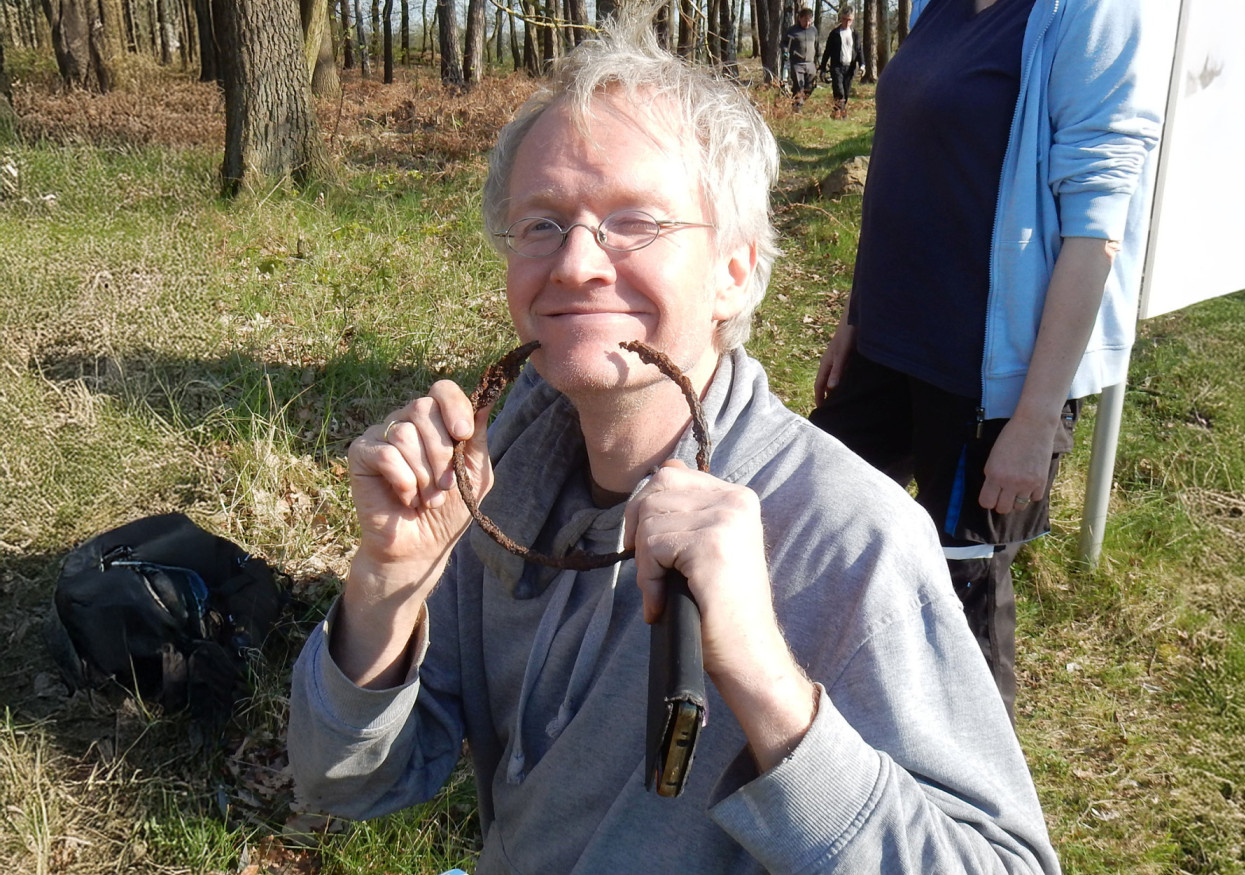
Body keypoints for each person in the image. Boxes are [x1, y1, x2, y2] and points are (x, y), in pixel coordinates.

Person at [288, 10, 1062, 874]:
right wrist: (384, 593)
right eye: (541, 222)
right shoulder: (500, 477)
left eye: (635, 222)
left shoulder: (848, 540)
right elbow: (343, 783)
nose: (576, 263)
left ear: (735, 269)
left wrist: (768, 684)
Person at [810, 0, 1170, 718]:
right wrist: (853, 317)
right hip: (886, 344)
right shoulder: (934, 7)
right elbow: (903, 171)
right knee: (815, 513)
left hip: (981, 375)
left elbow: (1097, 229)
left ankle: (977, 808)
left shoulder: (1087, 14)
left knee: (960, 596)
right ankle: (843, 710)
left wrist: (1036, 417)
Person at [818, 6, 863, 119]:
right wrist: (822, 68)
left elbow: (859, 50)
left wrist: (862, 64)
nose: (847, 22)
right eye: (844, 19)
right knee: (839, 90)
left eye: (849, 20)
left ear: (852, 20)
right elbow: (827, 51)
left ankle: (836, 112)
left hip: (850, 67)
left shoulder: (855, 34)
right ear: (841, 19)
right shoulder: (834, 33)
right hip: (837, 66)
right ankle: (842, 115)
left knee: (846, 92)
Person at [781, 7, 819, 111]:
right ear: (800, 18)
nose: (807, 22)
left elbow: (817, 45)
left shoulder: (813, 30)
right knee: (798, 86)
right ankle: (796, 108)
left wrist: (818, 58)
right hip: (797, 63)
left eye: (809, 20)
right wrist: (785, 51)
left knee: (810, 86)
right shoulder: (793, 30)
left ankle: (799, 103)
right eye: (805, 20)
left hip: (810, 63)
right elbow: (784, 43)